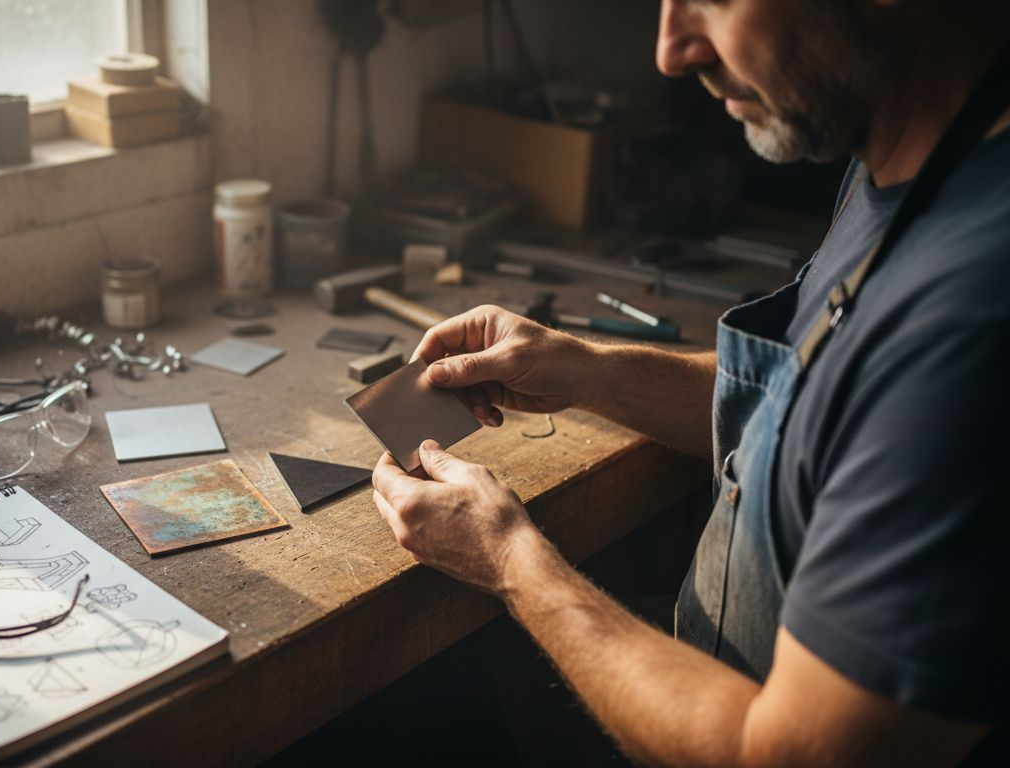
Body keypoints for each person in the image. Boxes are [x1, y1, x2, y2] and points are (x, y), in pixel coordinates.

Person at [371, 1, 1010, 765]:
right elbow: (821, 408)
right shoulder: (905, 157)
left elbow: (783, 756)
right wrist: (587, 371)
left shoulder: (974, 319)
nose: (671, 51)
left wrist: (510, 561)